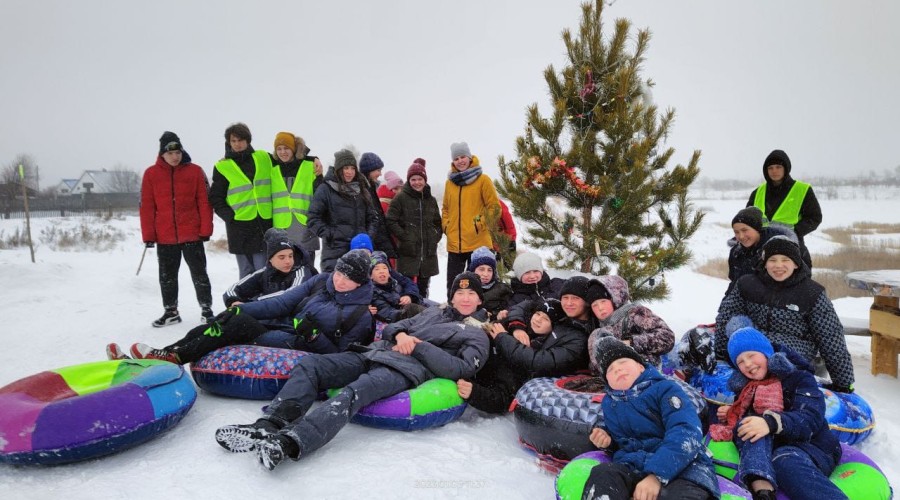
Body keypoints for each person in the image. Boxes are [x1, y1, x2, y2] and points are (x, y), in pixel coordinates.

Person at [213, 271, 491, 471]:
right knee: (312, 365)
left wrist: (416, 345)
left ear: (479, 300)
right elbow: (395, 326)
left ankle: (291, 442)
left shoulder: (477, 334)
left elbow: (461, 368)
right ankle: (269, 425)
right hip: (374, 352)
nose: (465, 298)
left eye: (471, 294)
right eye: (460, 292)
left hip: (406, 370)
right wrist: (400, 336)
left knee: (354, 392)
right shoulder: (434, 312)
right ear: (452, 296)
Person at [108, 249, 374, 363]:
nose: (339, 280)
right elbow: (281, 302)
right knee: (232, 316)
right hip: (281, 325)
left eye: (347, 279)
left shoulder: (360, 314)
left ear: (360, 283)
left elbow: (341, 355)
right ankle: (167, 353)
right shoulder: (322, 281)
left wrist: (313, 336)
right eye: (339, 273)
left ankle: (174, 357)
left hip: (297, 341)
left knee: (238, 324)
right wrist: (242, 307)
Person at [710, 327, 844, 500]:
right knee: (749, 427)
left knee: (784, 460)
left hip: (813, 446)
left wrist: (771, 423)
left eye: (751, 355)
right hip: (774, 449)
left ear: (767, 353)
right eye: (741, 361)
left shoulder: (799, 378)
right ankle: (762, 488)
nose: (748, 364)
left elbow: (810, 417)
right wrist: (734, 413)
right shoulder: (747, 389)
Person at [582, 337, 719, 500]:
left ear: (640, 366)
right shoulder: (609, 403)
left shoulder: (665, 389)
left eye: (623, 362)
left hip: (683, 468)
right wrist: (608, 440)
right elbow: (623, 442)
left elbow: (685, 431)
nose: (617, 369)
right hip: (633, 466)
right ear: (608, 382)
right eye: (610, 369)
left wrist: (656, 475)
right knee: (603, 474)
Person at [715, 235, 855, 392]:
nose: (778, 265)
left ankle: (778, 390)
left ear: (796, 263)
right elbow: (726, 317)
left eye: (785, 260)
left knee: (779, 372)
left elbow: (831, 338)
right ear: (764, 262)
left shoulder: (811, 293)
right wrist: (721, 358)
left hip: (792, 353)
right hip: (754, 348)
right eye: (772, 260)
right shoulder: (747, 284)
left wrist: (843, 382)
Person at [458, 298, 587, 414]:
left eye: (546, 319)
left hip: (470, 376)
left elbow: (503, 398)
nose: (538, 319)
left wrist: (474, 393)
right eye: (538, 314)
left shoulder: (527, 355)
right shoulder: (512, 327)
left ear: (553, 328)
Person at [140, 131, 214, 326]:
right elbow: (147, 206)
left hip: (192, 234)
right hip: (165, 237)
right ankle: (171, 311)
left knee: (200, 274)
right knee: (167, 277)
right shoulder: (151, 174)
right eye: (170, 153)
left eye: (178, 152)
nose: (175, 156)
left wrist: (205, 229)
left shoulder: (195, 171)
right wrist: (148, 235)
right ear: (162, 154)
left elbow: (205, 201)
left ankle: (206, 309)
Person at [209, 122, 273, 278]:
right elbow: (216, 197)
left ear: (248, 140)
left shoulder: (264, 157)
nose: (237, 144)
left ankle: (260, 302)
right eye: (233, 141)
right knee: (245, 272)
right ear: (228, 143)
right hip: (239, 226)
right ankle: (243, 302)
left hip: (264, 223)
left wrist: (313, 158)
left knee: (263, 269)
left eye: (240, 140)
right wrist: (230, 217)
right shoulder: (223, 166)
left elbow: (288, 161)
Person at [442, 141, 500, 291]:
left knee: (481, 285)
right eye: (456, 158)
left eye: (463, 157)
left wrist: (479, 223)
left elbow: (494, 207)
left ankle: (482, 312)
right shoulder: (450, 183)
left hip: (478, 242)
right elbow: (446, 208)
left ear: (469, 157)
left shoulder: (483, 180)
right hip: (455, 244)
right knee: (453, 286)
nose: (460, 161)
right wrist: (447, 226)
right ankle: (453, 312)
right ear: (453, 161)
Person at [746, 149, 821, 265]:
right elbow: (747, 220)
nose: (774, 171)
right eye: (770, 168)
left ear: (786, 168)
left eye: (778, 167)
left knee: (796, 280)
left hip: (792, 247)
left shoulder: (802, 189)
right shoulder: (758, 192)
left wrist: (793, 232)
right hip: (761, 249)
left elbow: (814, 217)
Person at [584, 275, 675, 371]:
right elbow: (595, 365)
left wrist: (630, 343)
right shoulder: (599, 329)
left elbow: (667, 338)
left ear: (616, 298)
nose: (600, 308)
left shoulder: (635, 314)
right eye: (594, 305)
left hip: (645, 373)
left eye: (603, 301)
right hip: (615, 377)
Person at [307, 149, 377, 272]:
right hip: (334, 252)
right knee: (335, 286)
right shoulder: (326, 189)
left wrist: (366, 237)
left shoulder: (362, 189)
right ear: (339, 169)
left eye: (352, 168)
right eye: (346, 168)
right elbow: (313, 218)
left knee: (359, 288)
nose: (349, 172)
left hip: (360, 250)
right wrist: (331, 234)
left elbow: (373, 218)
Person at [386, 160, 442, 299]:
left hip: (427, 253)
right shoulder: (401, 198)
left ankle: (423, 312)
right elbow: (390, 220)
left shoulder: (431, 200)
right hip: (408, 252)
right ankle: (407, 315)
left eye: (420, 179)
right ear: (408, 180)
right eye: (413, 179)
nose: (417, 182)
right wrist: (404, 236)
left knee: (423, 288)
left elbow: (437, 222)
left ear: (425, 180)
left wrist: (435, 236)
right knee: (406, 288)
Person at [221, 228, 317, 309]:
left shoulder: (302, 271)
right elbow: (233, 290)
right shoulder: (265, 273)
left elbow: (289, 295)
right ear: (270, 259)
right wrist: (234, 302)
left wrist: (250, 305)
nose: (288, 261)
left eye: (290, 256)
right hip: (273, 320)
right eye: (281, 257)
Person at [726, 206, 807, 295]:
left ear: (757, 229)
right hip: (742, 305)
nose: (741, 236)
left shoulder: (783, 250)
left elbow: (800, 284)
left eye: (745, 230)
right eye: (736, 232)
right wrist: (726, 305)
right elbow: (734, 283)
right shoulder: (736, 252)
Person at [269, 132, 324, 266]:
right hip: (281, 227)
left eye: (286, 148)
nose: (283, 152)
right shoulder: (272, 168)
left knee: (306, 268)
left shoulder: (309, 166)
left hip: (304, 225)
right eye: (279, 149)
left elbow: (320, 196)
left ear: (294, 149)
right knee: (285, 269)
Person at [359, 152, 398, 262]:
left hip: (376, 240)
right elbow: (371, 218)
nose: (380, 174)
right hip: (371, 241)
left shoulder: (370, 187)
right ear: (369, 170)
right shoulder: (363, 190)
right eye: (378, 170)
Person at [369, 251, 425, 323]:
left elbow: (416, 294)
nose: (381, 271)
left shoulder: (397, 283)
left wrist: (409, 296)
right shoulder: (373, 293)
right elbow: (387, 313)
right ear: (371, 276)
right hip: (403, 322)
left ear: (389, 273)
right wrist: (408, 311)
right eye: (377, 269)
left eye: (384, 268)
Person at [467, 245, 512, 320]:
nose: (485, 274)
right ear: (473, 270)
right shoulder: (464, 289)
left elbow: (510, 311)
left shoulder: (503, 290)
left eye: (489, 270)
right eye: (481, 269)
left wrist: (497, 316)